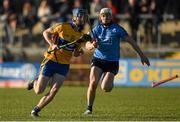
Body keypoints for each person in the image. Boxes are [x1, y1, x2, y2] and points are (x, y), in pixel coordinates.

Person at [84, 8, 150, 115]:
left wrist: (142, 55)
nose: (106, 17)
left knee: (106, 88)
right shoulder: (96, 29)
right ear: (100, 17)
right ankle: (89, 108)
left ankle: (108, 79)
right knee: (93, 83)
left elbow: (131, 41)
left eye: (108, 15)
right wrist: (92, 45)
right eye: (103, 16)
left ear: (111, 17)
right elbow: (86, 44)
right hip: (98, 59)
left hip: (112, 62)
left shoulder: (117, 29)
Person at [27, 8, 91, 117]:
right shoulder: (62, 26)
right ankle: (34, 82)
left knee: (54, 90)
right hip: (51, 59)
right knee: (39, 91)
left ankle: (36, 110)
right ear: (74, 17)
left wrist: (79, 52)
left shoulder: (81, 35)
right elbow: (45, 32)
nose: (82, 18)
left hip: (64, 65)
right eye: (80, 16)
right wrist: (53, 44)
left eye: (84, 16)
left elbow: (75, 52)